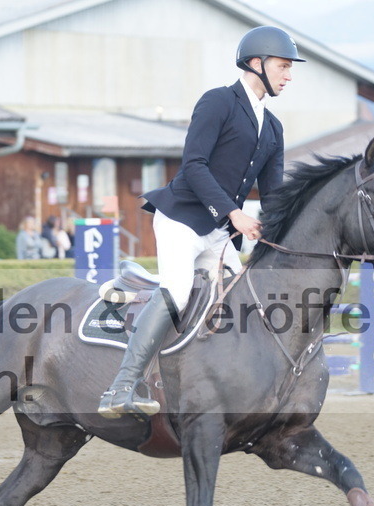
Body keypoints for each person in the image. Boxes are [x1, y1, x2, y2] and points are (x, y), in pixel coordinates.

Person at [98, 26, 301, 418]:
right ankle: (121, 386)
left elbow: (273, 195)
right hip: (183, 219)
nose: (288, 76)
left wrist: (282, 233)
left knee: (240, 301)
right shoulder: (218, 102)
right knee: (177, 291)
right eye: (283, 66)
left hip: (220, 236)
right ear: (256, 64)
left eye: (289, 69)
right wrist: (234, 213)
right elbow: (193, 166)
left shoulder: (273, 127)